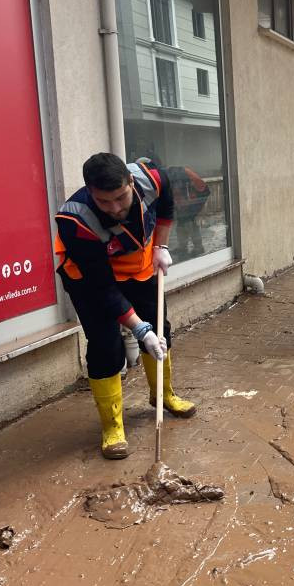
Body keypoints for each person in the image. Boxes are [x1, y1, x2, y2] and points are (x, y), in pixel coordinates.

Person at [54, 153, 197, 460]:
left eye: (121, 197)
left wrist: (161, 246)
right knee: (106, 345)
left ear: (131, 182)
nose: (116, 208)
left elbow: (166, 206)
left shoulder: (153, 179)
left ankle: (163, 396)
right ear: (90, 192)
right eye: (105, 202)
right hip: (89, 279)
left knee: (159, 329)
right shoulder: (75, 220)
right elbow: (103, 288)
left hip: (137, 265)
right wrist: (138, 328)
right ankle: (112, 426)